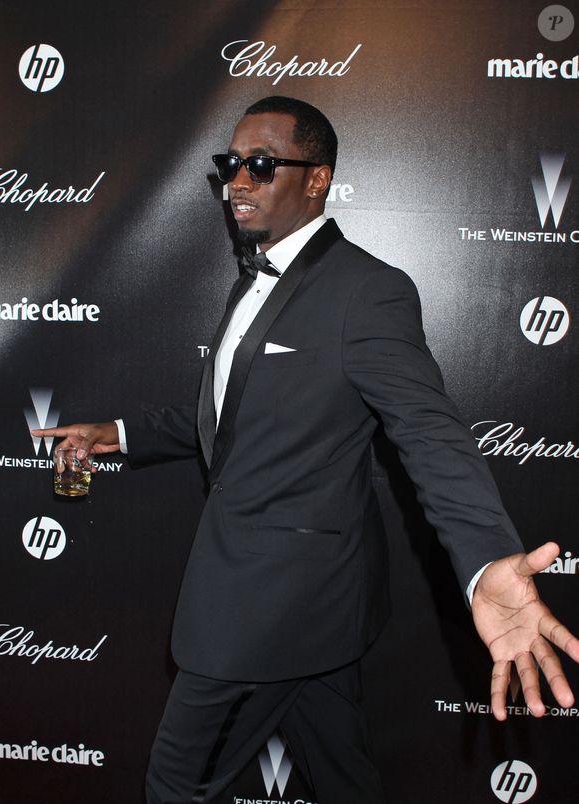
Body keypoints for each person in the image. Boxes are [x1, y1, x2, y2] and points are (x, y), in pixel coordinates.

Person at [33, 96, 579, 804]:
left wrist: (483, 561)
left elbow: (430, 432)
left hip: (267, 610)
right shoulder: (253, 279)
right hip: (320, 610)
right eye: (231, 166)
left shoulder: (368, 292)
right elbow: (235, 417)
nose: (239, 182)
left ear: (317, 179)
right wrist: (118, 434)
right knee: (344, 775)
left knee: (177, 783)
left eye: (261, 165)